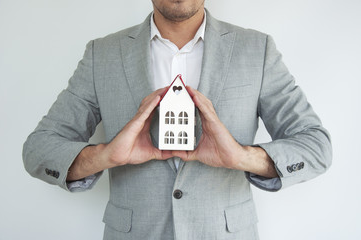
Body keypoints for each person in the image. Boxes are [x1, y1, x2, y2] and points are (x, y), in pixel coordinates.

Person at [23, 0, 332, 239]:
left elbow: (316, 146)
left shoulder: (257, 49)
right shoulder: (101, 54)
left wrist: (241, 157)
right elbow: (38, 149)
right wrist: (104, 155)